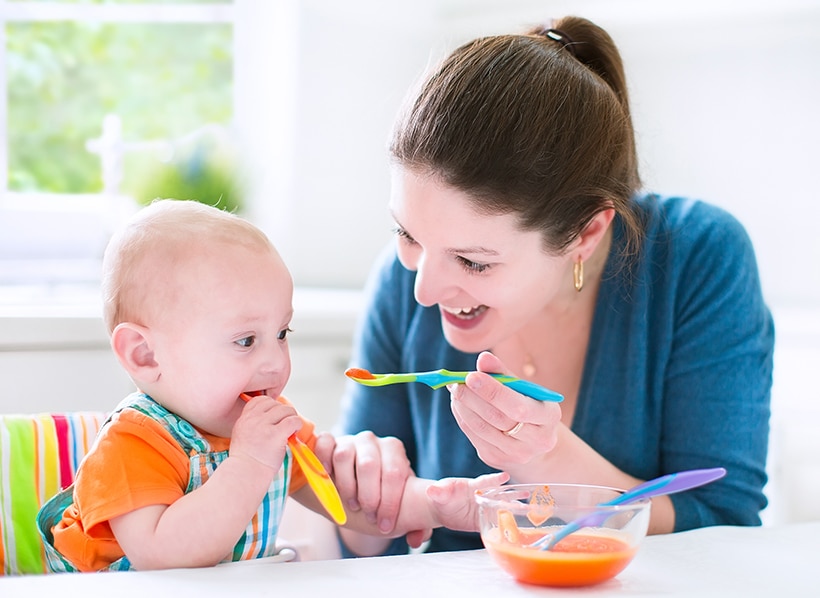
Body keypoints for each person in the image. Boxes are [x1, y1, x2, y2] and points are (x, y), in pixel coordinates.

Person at [335, 15, 774, 556]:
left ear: (586, 233)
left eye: (473, 262)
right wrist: (361, 498)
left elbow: (723, 522)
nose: (423, 289)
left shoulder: (698, 258)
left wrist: (545, 460)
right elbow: (357, 545)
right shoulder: (402, 280)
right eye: (407, 233)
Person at [35, 199, 507, 572]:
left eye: (282, 334)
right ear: (145, 354)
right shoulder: (130, 447)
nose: (275, 362)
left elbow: (350, 500)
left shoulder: (270, 427)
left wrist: (442, 504)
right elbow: (163, 556)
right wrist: (249, 463)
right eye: (245, 340)